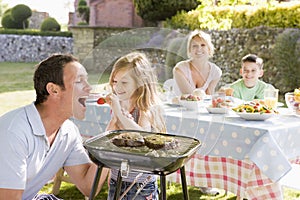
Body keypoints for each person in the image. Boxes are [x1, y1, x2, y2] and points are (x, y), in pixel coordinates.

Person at [0, 54, 109, 200]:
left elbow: (88, 186)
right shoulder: (14, 132)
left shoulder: (68, 131)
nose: (89, 88)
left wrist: (111, 138)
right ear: (53, 90)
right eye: (79, 81)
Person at [105, 52, 166, 200]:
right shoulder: (121, 106)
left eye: (124, 82)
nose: (117, 87)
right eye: (114, 81)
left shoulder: (146, 108)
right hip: (117, 179)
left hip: (141, 184)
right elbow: (109, 138)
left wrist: (119, 114)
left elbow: (141, 137)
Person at [173, 29, 222, 95]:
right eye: (195, 46)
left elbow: (209, 98)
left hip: (203, 105)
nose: (199, 49)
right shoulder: (180, 69)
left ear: (209, 49)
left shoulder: (215, 72)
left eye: (203, 45)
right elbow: (191, 97)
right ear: (190, 50)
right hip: (179, 105)